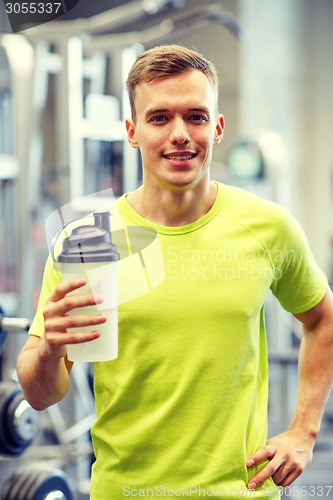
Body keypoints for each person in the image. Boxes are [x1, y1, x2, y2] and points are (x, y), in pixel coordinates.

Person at [17, 45, 333, 499]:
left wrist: (303, 432)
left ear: (218, 127)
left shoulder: (268, 227)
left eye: (196, 117)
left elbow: (321, 317)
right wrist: (49, 348)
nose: (180, 134)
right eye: (160, 118)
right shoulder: (88, 240)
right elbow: (40, 395)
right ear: (132, 131)